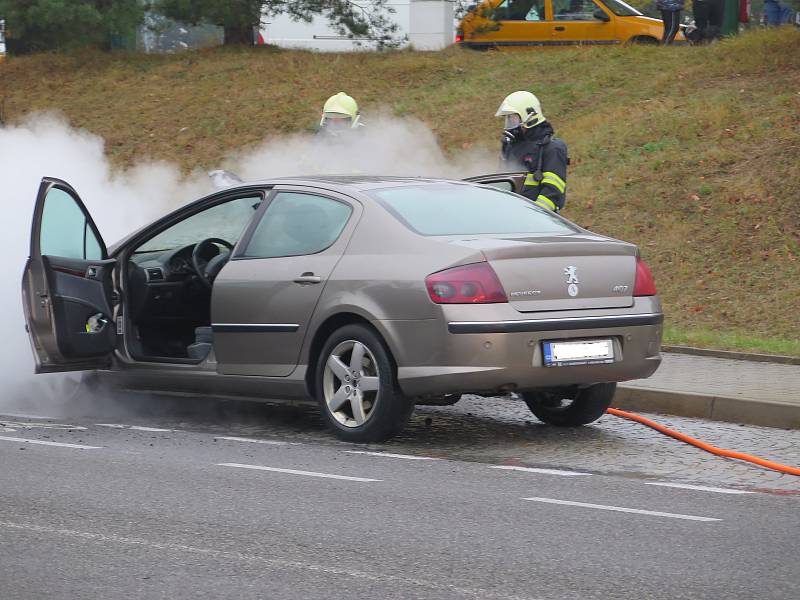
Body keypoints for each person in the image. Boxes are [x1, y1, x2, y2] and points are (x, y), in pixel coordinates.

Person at [496, 91, 568, 213]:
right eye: (508, 119)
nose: (509, 124)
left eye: (513, 118)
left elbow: (553, 192)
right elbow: (501, 184)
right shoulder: (509, 147)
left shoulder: (552, 148)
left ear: (530, 117)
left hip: (539, 223)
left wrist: (533, 216)